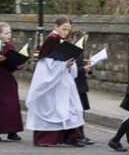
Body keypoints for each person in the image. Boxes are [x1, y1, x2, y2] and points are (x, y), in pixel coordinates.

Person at [25, 18, 86, 147]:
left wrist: (70, 64)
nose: (66, 32)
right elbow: (45, 64)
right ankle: (42, 138)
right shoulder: (50, 41)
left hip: (63, 81)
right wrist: (64, 64)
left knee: (70, 107)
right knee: (49, 109)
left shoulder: (62, 42)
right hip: (51, 83)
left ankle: (72, 136)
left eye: (68, 30)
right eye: (64, 29)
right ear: (56, 26)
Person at [0, 23, 24, 141]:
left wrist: (18, 64)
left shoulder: (10, 47)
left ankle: (12, 131)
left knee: (12, 105)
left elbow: (12, 63)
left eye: (10, 33)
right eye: (6, 33)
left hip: (8, 79)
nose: (9, 35)